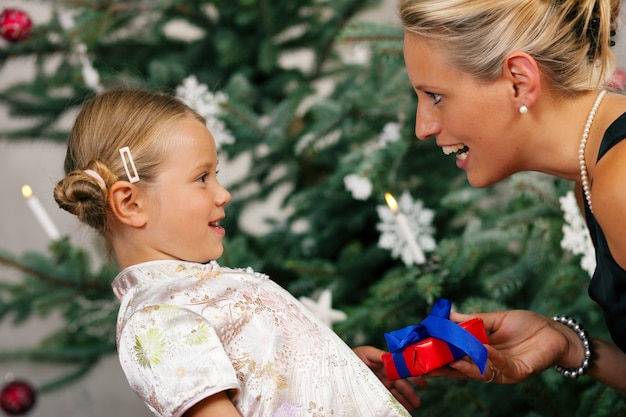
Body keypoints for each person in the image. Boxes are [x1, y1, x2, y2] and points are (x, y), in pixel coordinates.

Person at [53, 87, 423, 417]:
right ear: (131, 204)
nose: (222, 192)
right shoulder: (156, 320)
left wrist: (340, 377)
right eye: (202, 178)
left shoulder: (191, 294)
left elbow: (270, 391)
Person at [397, 0, 626, 394]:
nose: (423, 127)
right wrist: (568, 346)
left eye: (435, 96)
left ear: (520, 80)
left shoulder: (620, 183)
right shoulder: (592, 179)